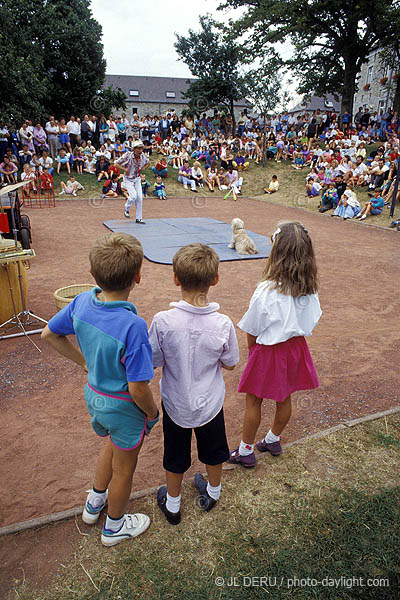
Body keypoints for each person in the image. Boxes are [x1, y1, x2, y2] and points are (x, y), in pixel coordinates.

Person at [42, 233, 159, 546]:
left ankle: (94, 503)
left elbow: (49, 334)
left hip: (95, 398)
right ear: (137, 276)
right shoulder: (133, 326)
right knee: (124, 469)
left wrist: (85, 364)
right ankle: (115, 527)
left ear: (92, 274)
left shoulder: (81, 301)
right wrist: (151, 412)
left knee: (110, 445)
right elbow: (138, 387)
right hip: (124, 407)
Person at [149, 244, 239, 524]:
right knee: (214, 449)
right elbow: (231, 362)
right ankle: (213, 492)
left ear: (175, 278)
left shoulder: (162, 321)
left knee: (174, 453)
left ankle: (173, 505)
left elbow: (153, 359)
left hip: (175, 403)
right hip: (210, 404)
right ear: (215, 279)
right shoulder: (223, 324)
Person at [228, 222, 321, 467]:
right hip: (295, 348)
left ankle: (246, 450)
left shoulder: (267, 289)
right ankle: (273, 439)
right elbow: (313, 317)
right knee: (285, 396)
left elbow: (252, 327)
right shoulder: (309, 287)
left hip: (268, 350)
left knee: (254, 400)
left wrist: (253, 354)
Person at [115, 139, 149, 223]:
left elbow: (148, 163)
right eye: (138, 148)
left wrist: (143, 169)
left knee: (140, 198)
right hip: (128, 179)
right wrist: (125, 169)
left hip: (137, 179)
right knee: (133, 196)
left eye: (141, 148)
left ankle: (139, 218)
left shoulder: (143, 156)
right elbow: (115, 163)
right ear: (134, 149)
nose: (140, 150)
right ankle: (126, 208)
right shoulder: (127, 155)